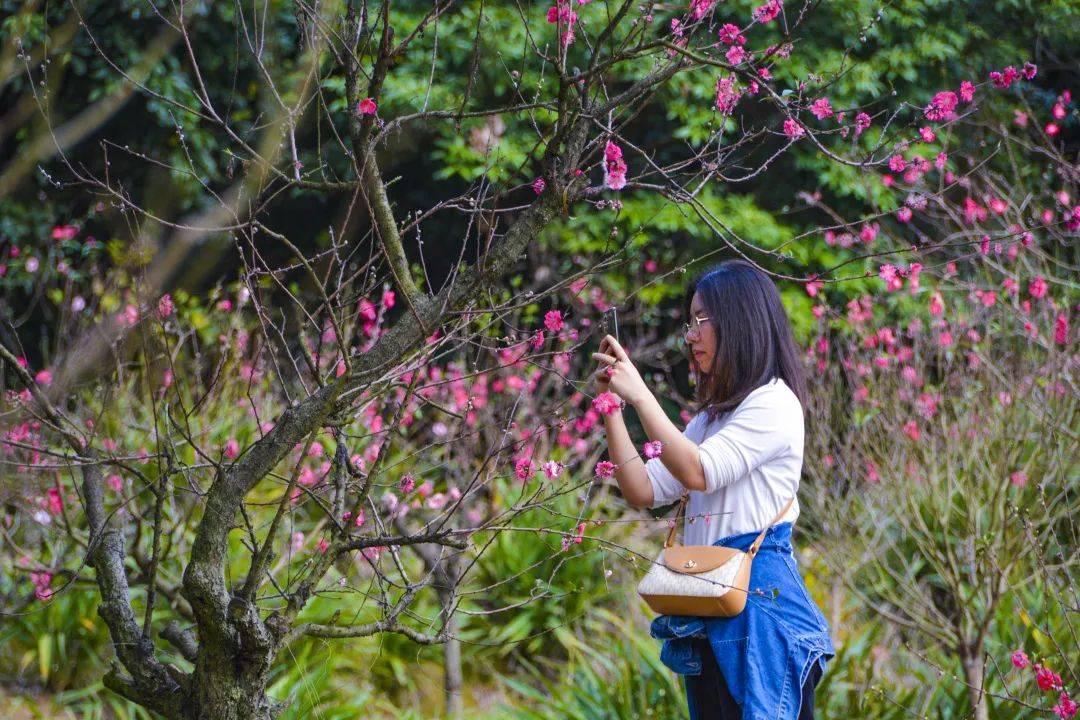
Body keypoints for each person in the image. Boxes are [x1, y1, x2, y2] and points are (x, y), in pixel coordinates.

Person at [591, 259, 835, 719]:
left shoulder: (774, 402)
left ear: (740, 322)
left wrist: (642, 395)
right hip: (708, 603)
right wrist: (611, 406)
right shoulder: (711, 420)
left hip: (761, 607)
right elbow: (643, 488)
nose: (690, 335)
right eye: (690, 322)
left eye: (702, 321)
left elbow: (700, 471)